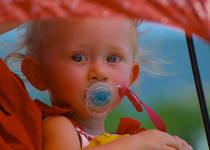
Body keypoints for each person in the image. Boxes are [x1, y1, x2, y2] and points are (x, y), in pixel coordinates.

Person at [0, 17, 193, 150]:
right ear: (39, 74)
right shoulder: (60, 126)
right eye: (78, 57)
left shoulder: (121, 139)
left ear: (131, 77)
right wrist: (140, 144)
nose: (99, 72)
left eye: (113, 58)